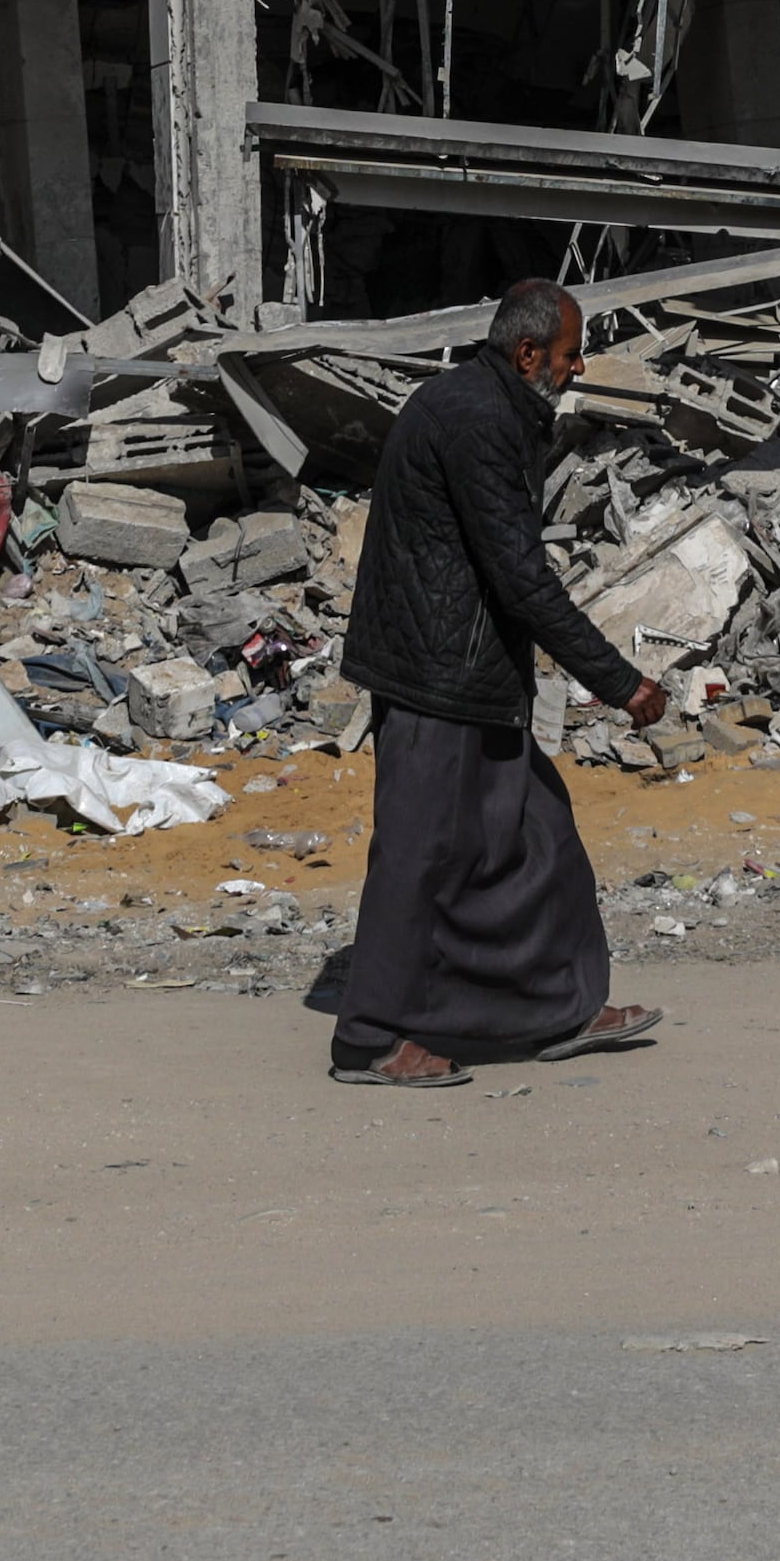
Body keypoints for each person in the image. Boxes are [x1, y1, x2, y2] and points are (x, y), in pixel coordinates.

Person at [315, 277, 670, 1087]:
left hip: (471, 673)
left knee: (540, 839)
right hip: (436, 679)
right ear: (528, 353)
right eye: (570, 354)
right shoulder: (478, 421)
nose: (579, 368)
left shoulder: (482, 405)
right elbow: (521, 577)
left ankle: (559, 1009)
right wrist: (620, 682)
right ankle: (369, 1039)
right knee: (418, 857)